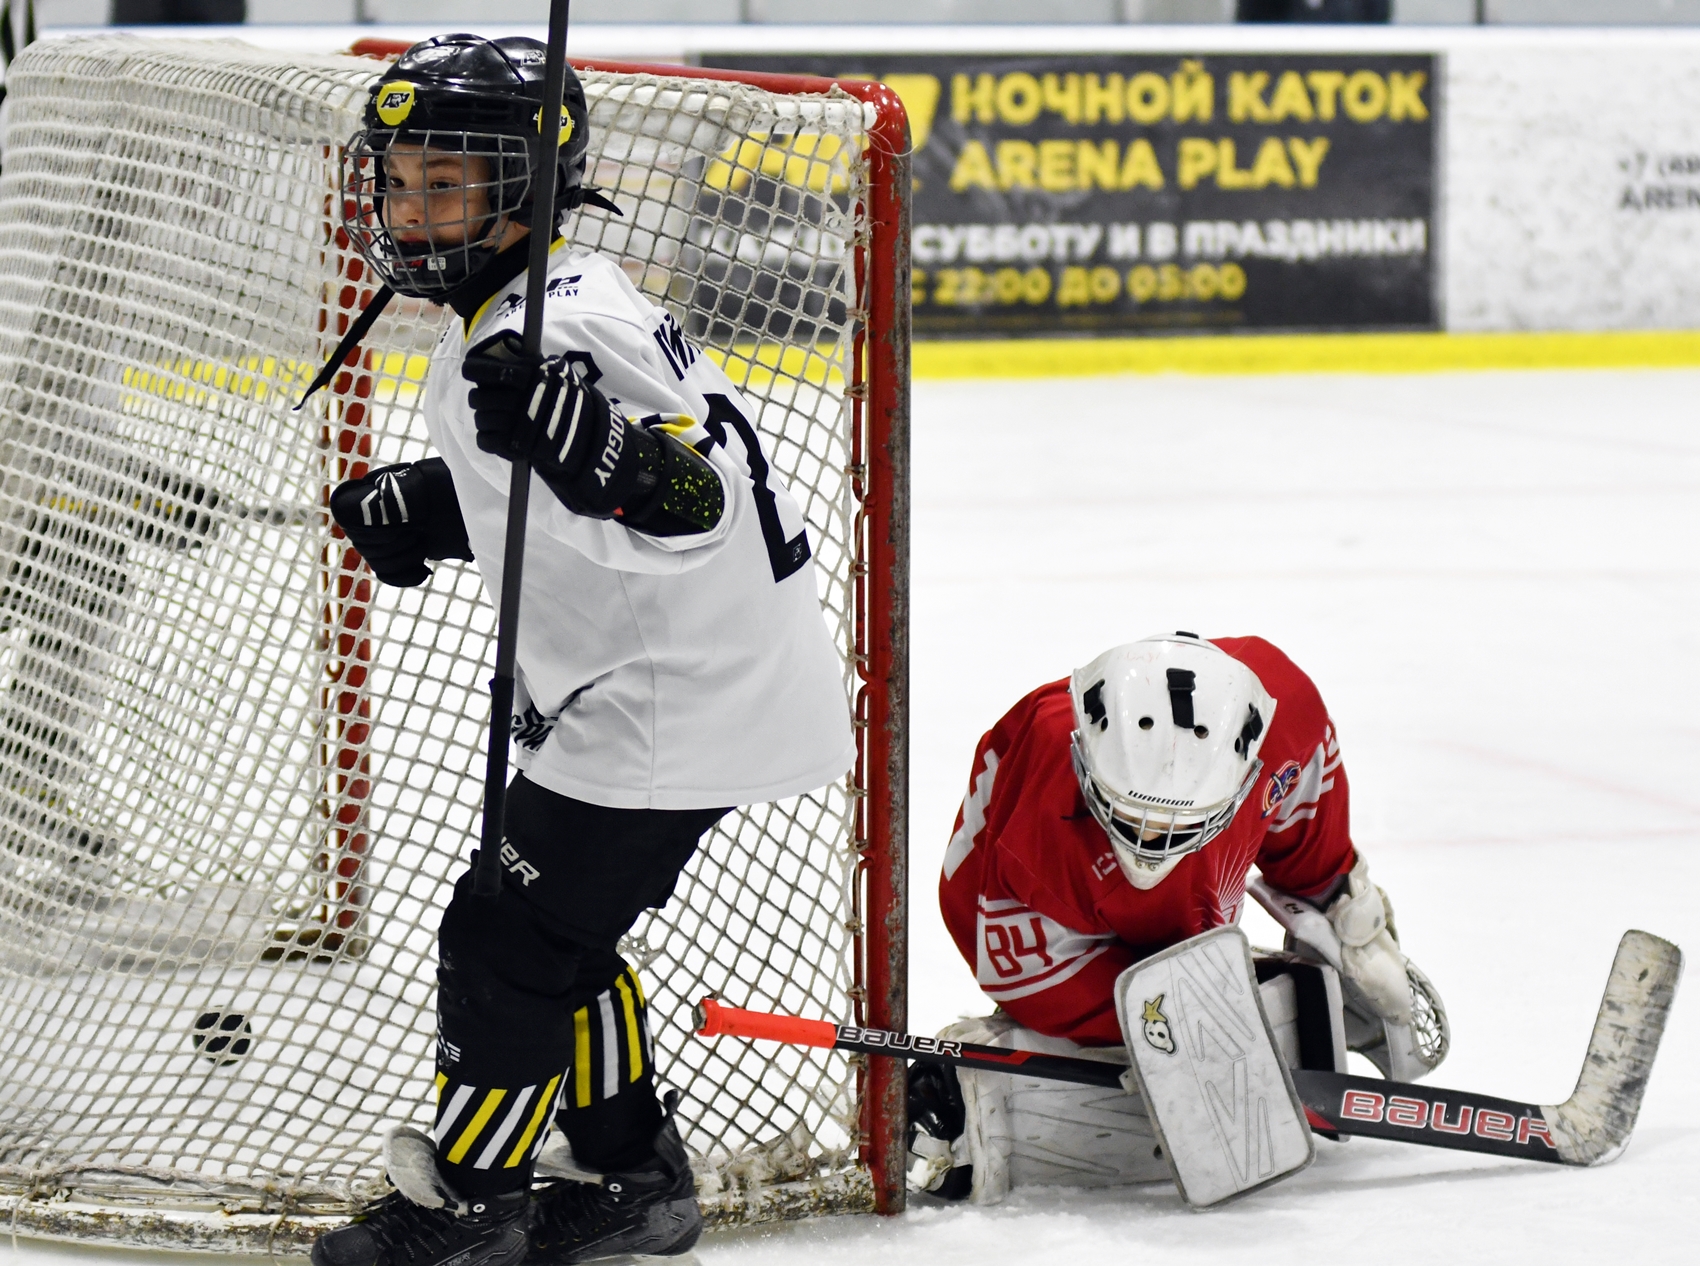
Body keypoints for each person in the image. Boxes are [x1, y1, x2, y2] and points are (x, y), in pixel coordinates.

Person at [308, 34, 853, 1266]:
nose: (413, 208)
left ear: (530, 185)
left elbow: (689, 498)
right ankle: (625, 1176)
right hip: (671, 685)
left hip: (667, 703)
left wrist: (616, 460)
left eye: (449, 182)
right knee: (560, 934)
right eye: (398, 180)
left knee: (503, 941)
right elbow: (549, 498)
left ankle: (474, 1202)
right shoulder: (543, 297)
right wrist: (434, 503)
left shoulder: (566, 328)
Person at [913, 631, 1444, 1201]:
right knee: (1147, 1066)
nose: (1148, 846)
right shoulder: (1041, 816)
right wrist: (1171, 1031)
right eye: (1130, 817)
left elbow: (1308, 837)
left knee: (1212, 1010)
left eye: (1178, 828)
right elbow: (1024, 973)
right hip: (1044, 911)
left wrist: (1347, 918)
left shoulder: (1288, 721)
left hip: (1168, 875)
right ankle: (968, 1112)